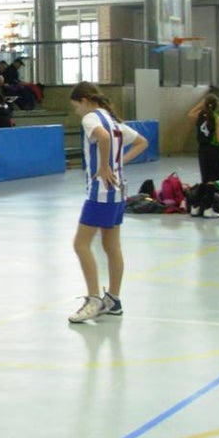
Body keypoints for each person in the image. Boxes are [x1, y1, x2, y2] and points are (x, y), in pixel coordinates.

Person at [67, 81, 149, 323]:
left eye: (75, 106)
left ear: (84, 100)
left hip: (100, 192)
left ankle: (93, 299)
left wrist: (104, 166)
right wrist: (119, 163)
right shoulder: (112, 119)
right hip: (119, 190)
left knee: (80, 244)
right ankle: (113, 300)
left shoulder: (91, 119)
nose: (76, 112)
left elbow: (101, 137)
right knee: (112, 246)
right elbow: (142, 142)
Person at [188, 92, 219, 185]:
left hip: (202, 149)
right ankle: (211, 196)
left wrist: (200, 104)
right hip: (214, 149)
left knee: (205, 176)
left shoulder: (199, 115)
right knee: (213, 177)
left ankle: (205, 195)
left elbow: (190, 114)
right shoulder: (217, 118)